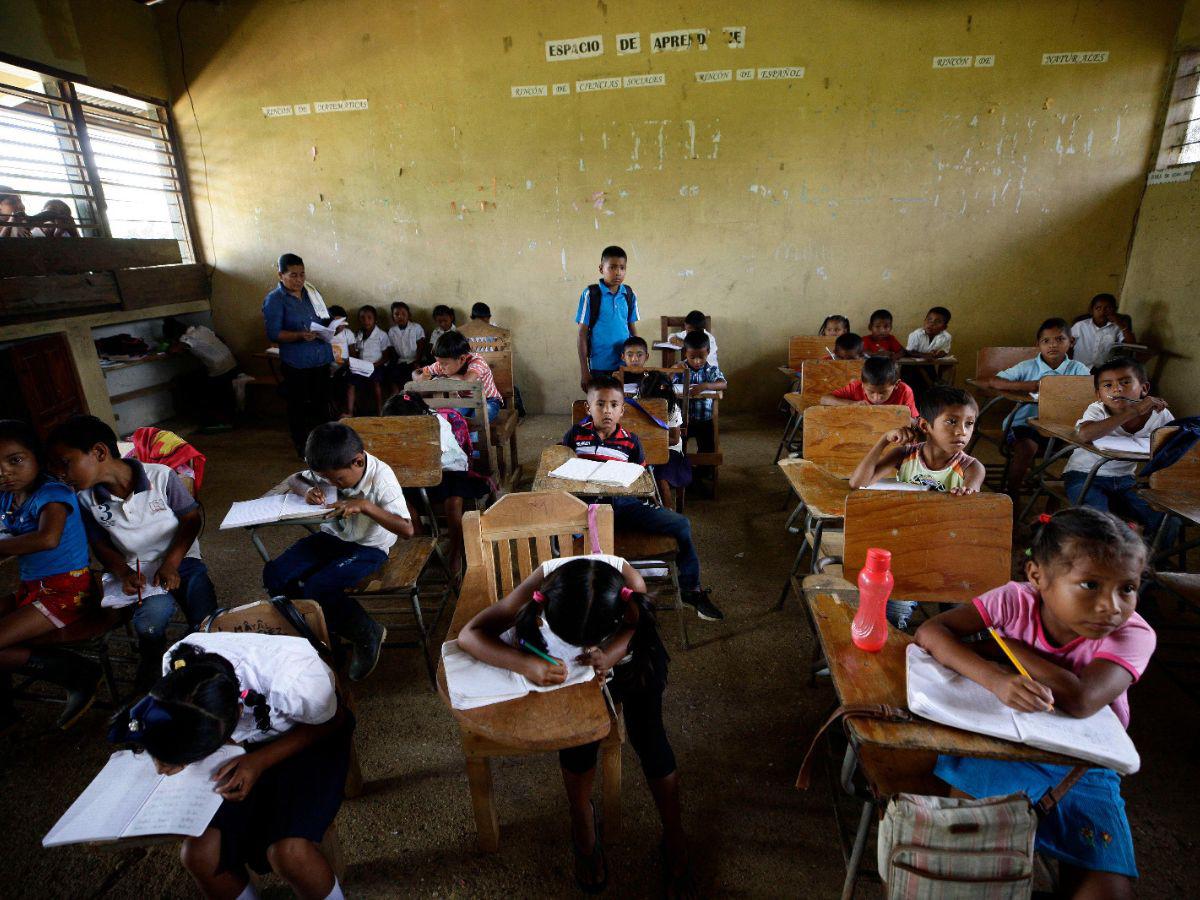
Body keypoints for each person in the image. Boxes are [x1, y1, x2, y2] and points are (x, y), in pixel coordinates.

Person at [916, 508, 1154, 900]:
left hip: (1083, 767)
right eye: (1090, 584)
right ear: (1037, 576)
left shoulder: (1133, 633)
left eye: (1127, 588)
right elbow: (931, 630)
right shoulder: (1014, 601)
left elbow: (1080, 699)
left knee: (1108, 893)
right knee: (969, 866)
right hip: (997, 748)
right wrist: (996, 679)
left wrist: (1006, 646)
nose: (1111, 606)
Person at [456, 555, 694, 896]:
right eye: (571, 641)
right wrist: (527, 664)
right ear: (545, 608)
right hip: (579, 676)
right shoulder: (544, 584)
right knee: (578, 745)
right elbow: (469, 635)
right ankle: (582, 823)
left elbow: (640, 627)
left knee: (651, 742)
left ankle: (674, 832)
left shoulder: (629, 587)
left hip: (634, 660)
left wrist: (610, 653)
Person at [109, 633, 353, 900]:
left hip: (308, 739)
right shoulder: (180, 665)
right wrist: (171, 754)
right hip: (241, 751)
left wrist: (258, 761)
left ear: (238, 713)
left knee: (289, 854)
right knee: (199, 855)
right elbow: (176, 724)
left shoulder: (294, 678)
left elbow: (334, 721)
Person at [46, 415, 217, 688]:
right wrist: (123, 572)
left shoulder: (161, 476)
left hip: (182, 558)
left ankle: (204, 659)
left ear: (99, 452)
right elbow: (100, 544)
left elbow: (191, 521)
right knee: (149, 624)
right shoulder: (85, 499)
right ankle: (153, 658)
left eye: (65, 463)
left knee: (205, 615)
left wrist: (171, 563)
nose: (60, 474)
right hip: (139, 570)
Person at [563, 375, 721, 622]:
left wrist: (642, 493)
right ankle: (582, 599)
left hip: (625, 505)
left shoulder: (630, 441)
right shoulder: (575, 435)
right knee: (563, 537)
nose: (607, 411)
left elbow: (642, 478)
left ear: (622, 410)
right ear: (588, 407)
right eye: (600, 404)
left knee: (681, 524)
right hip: (587, 509)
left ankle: (691, 589)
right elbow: (562, 467)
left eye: (614, 405)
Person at [263, 422, 413, 682]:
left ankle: (366, 632)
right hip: (332, 537)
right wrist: (308, 490)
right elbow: (295, 479)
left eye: (338, 480)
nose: (332, 484)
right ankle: (319, 635)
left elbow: (407, 529)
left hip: (369, 547)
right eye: (326, 479)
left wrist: (365, 506)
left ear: (358, 461)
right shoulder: (332, 465)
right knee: (275, 575)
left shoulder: (381, 478)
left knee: (319, 587)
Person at [0, 420, 98, 729]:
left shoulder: (52, 493)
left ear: (37, 458)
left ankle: (74, 671)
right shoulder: (6, 497)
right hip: (33, 588)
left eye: (15, 460)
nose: (4, 472)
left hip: (68, 591)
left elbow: (47, 539)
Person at [983, 318, 1090, 504]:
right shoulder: (1028, 366)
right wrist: (1028, 385)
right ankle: (1012, 493)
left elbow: (1089, 394)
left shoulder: (1078, 369)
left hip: (1062, 427)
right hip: (1024, 424)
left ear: (1071, 342)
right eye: (1046, 341)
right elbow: (994, 381)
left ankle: (1054, 499)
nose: (1053, 345)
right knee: (1027, 447)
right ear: (1038, 344)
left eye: (1059, 339)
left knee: (1081, 451)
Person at [382, 392, 489, 578]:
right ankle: (423, 544)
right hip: (416, 472)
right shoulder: (400, 426)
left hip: (449, 470)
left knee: (453, 503)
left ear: (416, 417)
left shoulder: (436, 423)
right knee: (402, 503)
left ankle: (455, 552)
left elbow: (433, 456)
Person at [1062, 358, 1172, 532]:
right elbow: (1085, 434)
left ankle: (1145, 549)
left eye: (1125, 382)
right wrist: (1134, 411)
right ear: (1099, 395)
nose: (1116, 389)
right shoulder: (1097, 410)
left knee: (1167, 521)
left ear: (1144, 389)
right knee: (1100, 521)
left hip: (1126, 481)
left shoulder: (1160, 414)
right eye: (1107, 385)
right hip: (1085, 475)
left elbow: (1175, 444)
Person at [261, 254, 334, 457]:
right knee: (298, 407)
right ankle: (303, 447)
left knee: (322, 404)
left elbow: (324, 318)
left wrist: (334, 325)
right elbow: (274, 334)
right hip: (297, 363)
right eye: (293, 275)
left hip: (320, 358)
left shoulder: (312, 292)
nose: (299, 280)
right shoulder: (275, 300)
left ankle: (326, 447)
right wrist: (299, 335)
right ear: (280, 275)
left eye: (302, 274)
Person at [850, 385, 984, 494]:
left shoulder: (971, 468)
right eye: (952, 421)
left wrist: (965, 495)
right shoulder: (904, 455)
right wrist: (884, 439)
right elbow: (858, 484)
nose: (962, 431)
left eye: (969, 423)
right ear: (925, 426)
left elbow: (969, 504)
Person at [576, 245, 639, 392]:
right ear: (601, 268)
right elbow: (582, 333)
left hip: (625, 364)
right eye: (612, 267)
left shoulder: (629, 294)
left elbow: (632, 329)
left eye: (622, 268)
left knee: (625, 403)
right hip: (599, 365)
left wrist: (637, 359)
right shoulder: (591, 295)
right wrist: (584, 370)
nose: (618, 272)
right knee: (601, 402)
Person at [163, 317, 240, 432]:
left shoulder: (187, 338)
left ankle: (219, 422)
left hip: (220, 370)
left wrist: (168, 346)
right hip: (232, 363)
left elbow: (173, 350)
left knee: (193, 387)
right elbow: (221, 339)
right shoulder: (202, 329)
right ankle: (226, 420)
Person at [413, 331, 504, 420]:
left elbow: (466, 383)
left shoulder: (477, 361)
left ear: (462, 359)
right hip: (464, 400)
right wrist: (422, 377)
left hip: (488, 400)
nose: (440, 367)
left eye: (444, 364)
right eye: (439, 362)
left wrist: (444, 378)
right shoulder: (442, 364)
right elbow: (416, 373)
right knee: (452, 417)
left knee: (477, 420)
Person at [637, 371, 691, 508]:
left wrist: (651, 442)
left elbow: (674, 439)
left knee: (661, 479)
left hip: (669, 449)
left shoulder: (672, 408)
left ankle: (667, 510)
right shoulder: (636, 403)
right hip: (642, 447)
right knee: (634, 473)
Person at [819, 355, 918, 418]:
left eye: (883, 392)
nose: (876, 398)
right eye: (871, 392)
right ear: (862, 384)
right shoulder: (856, 387)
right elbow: (824, 399)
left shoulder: (905, 391)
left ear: (896, 384)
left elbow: (913, 419)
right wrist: (852, 404)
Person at [680, 330, 727, 460]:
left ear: (708, 352)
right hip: (683, 420)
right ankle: (682, 468)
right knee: (678, 448)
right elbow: (666, 383)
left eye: (701, 357)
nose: (697, 361)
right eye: (692, 357)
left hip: (704, 420)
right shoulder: (680, 369)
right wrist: (673, 370)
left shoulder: (710, 370)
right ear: (685, 353)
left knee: (707, 448)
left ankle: (704, 470)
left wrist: (705, 386)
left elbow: (723, 384)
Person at [1071, 293, 1136, 369]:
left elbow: (1132, 344)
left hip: (1105, 369)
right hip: (1080, 368)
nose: (1102, 312)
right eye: (1098, 308)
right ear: (1092, 310)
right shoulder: (1080, 325)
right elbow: (1066, 344)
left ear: (1115, 310)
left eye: (1108, 308)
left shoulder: (1117, 327)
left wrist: (1121, 324)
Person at [347, 305, 389, 416]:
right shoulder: (358, 334)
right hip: (361, 367)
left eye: (369, 318)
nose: (366, 321)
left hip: (377, 365)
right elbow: (356, 352)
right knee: (351, 382)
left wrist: (375, 365)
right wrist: (357, 364)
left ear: (375, 319)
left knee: (376, 382)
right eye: (362, 318)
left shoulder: (381, 335)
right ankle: (350, 411)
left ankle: (380, 411)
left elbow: (386, 356)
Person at [385, 301, 426, 393]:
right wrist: (393, 363)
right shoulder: (392, 331)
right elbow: (392, 349)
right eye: (396, 314)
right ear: (392, 317)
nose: (400, 316)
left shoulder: (416, 327)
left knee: (415, 376)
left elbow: (421, 345)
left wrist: (417, 361)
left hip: (416, 360)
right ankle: (397, 397)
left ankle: (413, 398)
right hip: (401, 361)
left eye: (403, 314)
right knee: (392, 374)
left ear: (409, 315)